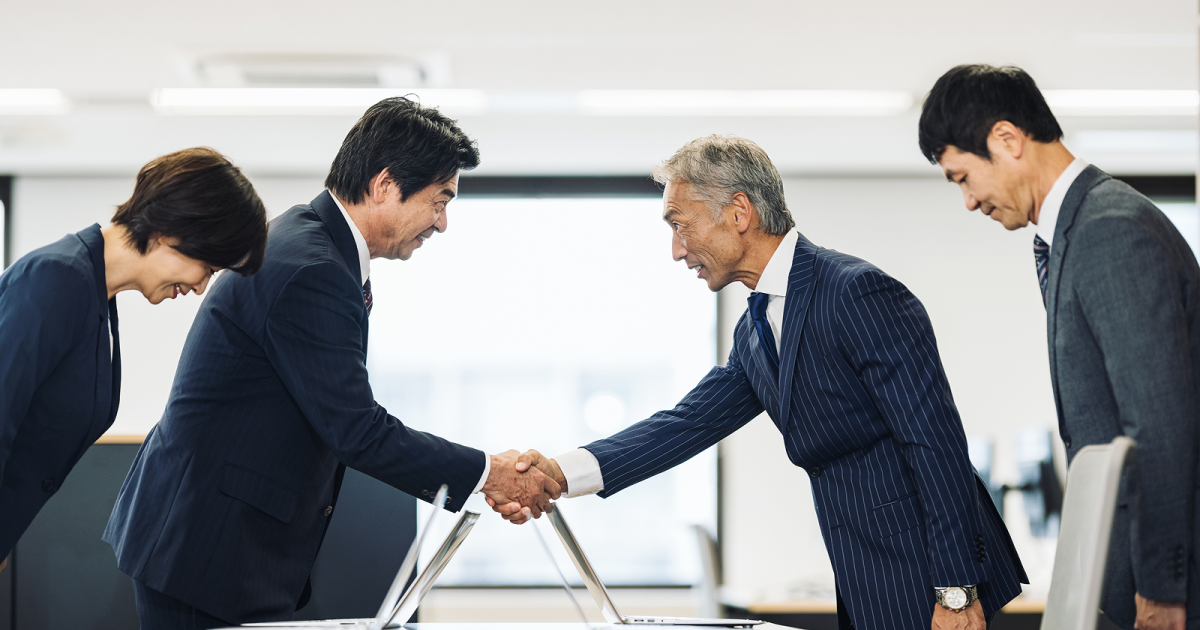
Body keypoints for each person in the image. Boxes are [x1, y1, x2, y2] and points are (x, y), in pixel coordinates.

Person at [493, 135, 1026, 630]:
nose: (677, 250)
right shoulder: (755, 327)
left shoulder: (856, 292)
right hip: (865, 575)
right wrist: (562, 472)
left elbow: (934, 442)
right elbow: (686, 423)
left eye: (680, 224)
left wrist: (956, 589)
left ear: (739, 212)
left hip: (931, 580)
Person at [102, 97, 561, 629]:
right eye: (440, 200)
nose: (442, 222)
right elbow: (357, 430)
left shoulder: (313, 246)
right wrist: (488, 472)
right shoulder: (312, 267)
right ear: (385, 185)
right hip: (208, 548)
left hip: (214, 541)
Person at [918, 64, 1200, 630]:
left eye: (963, 178)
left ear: (1006, 139)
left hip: (1165, 593)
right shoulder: (1074, 235)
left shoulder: (1110, 230)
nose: (969, 202)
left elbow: (1160, 422)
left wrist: (1163, 590)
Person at [0, 147, 267, 574]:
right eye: (208, 266)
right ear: (167, 232)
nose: (201, 287)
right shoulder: (55, 278)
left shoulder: (97, 296)